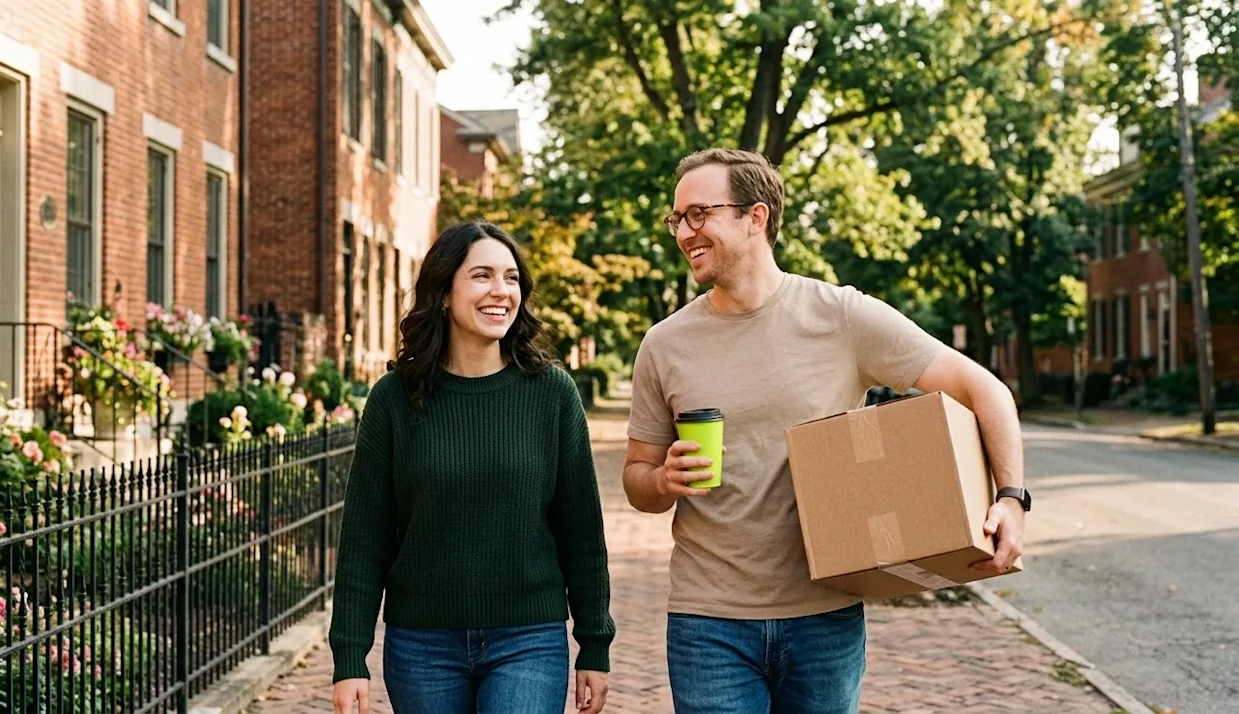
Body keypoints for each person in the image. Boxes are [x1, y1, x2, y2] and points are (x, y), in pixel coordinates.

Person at [623, 148, 1028, 714]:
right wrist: (662, 480)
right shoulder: (664, 345)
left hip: (825, 616)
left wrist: (1011, 499)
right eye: (677, 219)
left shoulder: (840, 316)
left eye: (699, 215)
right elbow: (636, 481)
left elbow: (983, 389)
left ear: (755, 217)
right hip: (707, 621)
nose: (684, 232)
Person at [330, 221, 615, 714]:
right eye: (482, 276)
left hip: (528, 639)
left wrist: (594, 642)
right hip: (422, 646)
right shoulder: (395, 400)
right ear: (443, 292)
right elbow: (365, 535)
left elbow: (582, 531)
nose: (501, 291)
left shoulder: (553, 395)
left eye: (511, 278)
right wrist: (350, 656)